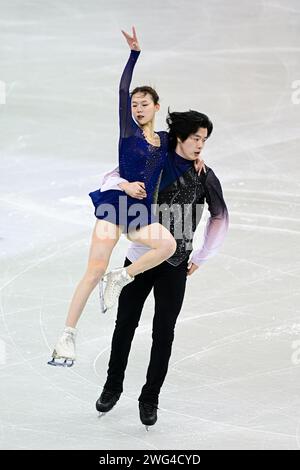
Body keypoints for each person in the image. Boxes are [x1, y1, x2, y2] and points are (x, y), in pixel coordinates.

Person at [48, 27, 178, 367]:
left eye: (144, 104)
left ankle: (121, 277)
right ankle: (66, 336)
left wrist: (200, 157)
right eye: (135, 104)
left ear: (156, 106)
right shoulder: (127, 130)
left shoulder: (165, 140)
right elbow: (122, 89)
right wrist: (133, 55)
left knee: (167, 246)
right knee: (93, 270)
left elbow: (187, 145)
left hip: (140, 213)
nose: (137, 108)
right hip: (116, 206)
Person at [95, 110, 229, 429]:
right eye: (195, 138)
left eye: (204, 140)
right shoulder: (154, 160)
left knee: (163, 333)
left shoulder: (204, 175)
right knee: (124, 324)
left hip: (176, 263)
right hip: (141, 256)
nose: (200, 145)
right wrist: (125, 186)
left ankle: (150, 397)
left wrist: (203, 255)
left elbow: (220, 217)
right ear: (180, 137)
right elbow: (110, 178)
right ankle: (112, 386)